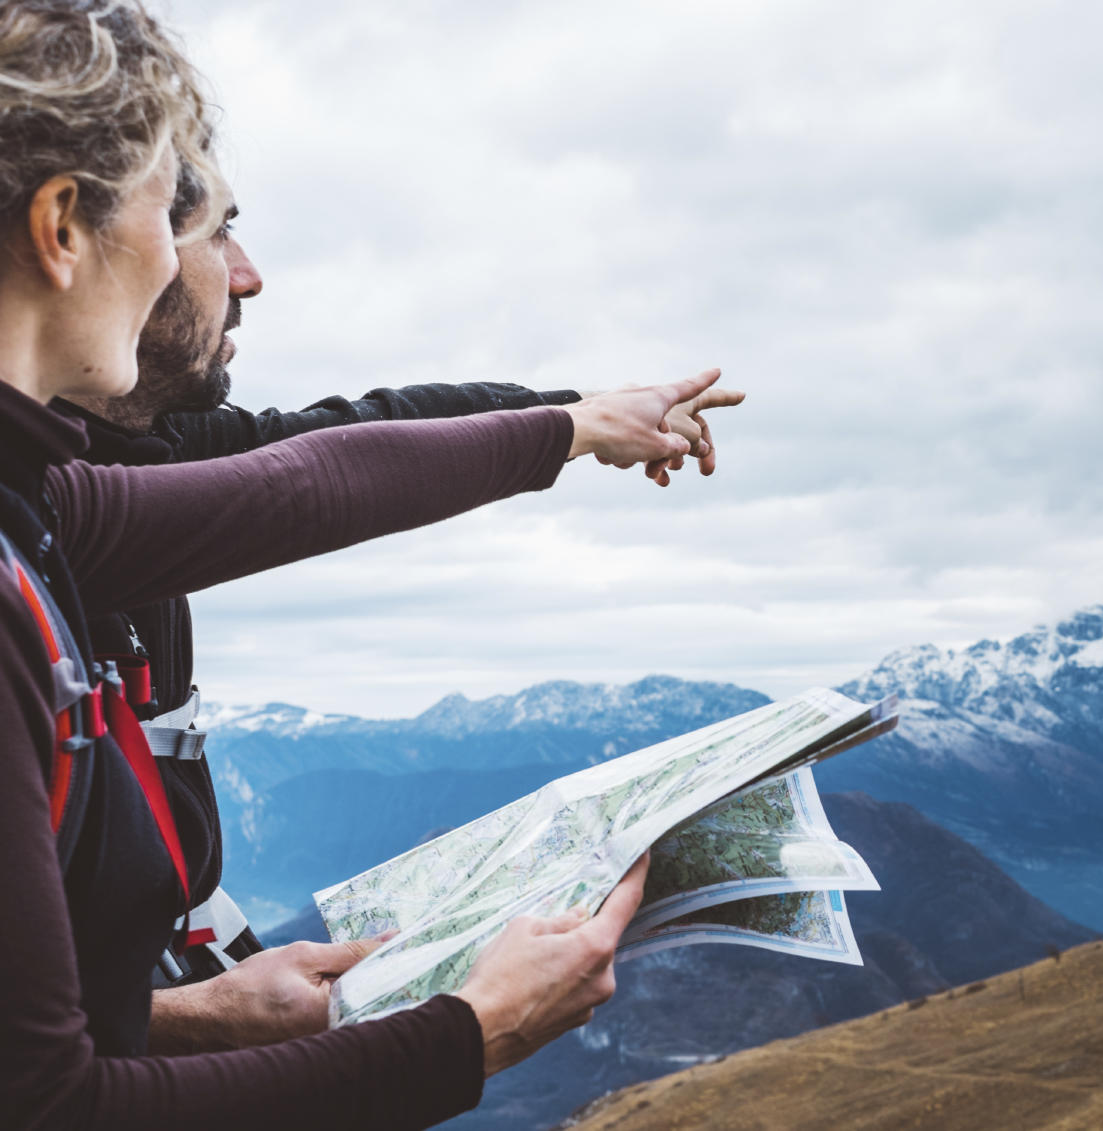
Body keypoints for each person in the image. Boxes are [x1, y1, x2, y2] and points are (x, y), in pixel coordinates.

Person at [0, 2, 702, 1125]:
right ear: (64, 229)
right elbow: (46, 1109)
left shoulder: (33, 503)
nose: (215, 268)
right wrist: (469, 1036)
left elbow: (309, 477)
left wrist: (574, 424)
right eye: (167, 213)